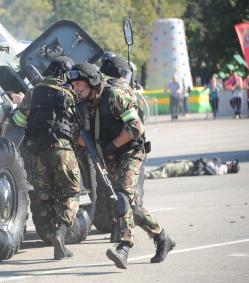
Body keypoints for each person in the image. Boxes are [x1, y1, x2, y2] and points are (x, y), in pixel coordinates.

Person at [68, 59, 175, 269]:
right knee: (131, 207)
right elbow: (77, 135)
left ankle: (124, 246)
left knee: (122, 197)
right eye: (73, 86)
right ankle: (162, 237)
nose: (75, 89)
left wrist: (112, 146)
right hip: (109, 158)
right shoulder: (82, 103)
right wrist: (85, 142)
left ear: (91, 82)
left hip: (130, 152)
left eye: (78, 84)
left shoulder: (114, 96)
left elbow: (136, 127)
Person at [11, 56, 80, 260]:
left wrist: (19, 103)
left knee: (46, 196)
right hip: (62, 149)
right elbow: (79, 123)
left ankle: (53, 239)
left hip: (39, 153)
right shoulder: (70, 92)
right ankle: (61, 233)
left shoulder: (34, 92)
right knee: (72, 192)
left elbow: (19, 120)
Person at [145, 158, 239, 179]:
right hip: (190, 164)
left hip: (190, 167)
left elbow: (215, 171)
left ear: (231, 167)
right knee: (166, 167)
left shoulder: (223, 168)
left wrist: (205, 162)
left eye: (232, 163)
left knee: (167, 169)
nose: (230, 162)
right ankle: (143, 174)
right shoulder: (222, 165)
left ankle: (144, 175)